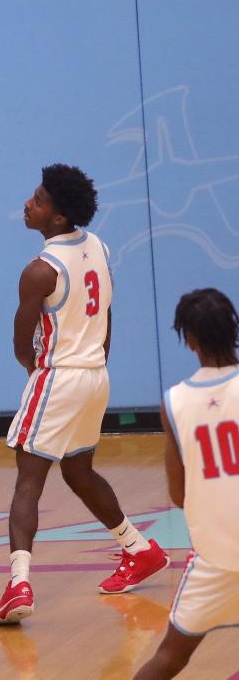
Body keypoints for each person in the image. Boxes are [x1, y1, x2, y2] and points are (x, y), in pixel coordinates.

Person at [0, 164, 169, 625]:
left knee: (29, 479)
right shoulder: (98, 247)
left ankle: (18, 584)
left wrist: (35, 371)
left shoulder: (40, 270)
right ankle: (139, 548)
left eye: (39, 200)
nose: (28, 204)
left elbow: (19, 339)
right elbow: (107, 314)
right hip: (94, 374)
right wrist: (98, 359)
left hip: (60, 377)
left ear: (57, 217)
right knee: (78, 470)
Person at [133, 288, 239, 679]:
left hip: (216, 560)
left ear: (189, 339)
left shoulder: (174, 402)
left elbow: (178, 495)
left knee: (167, 660)